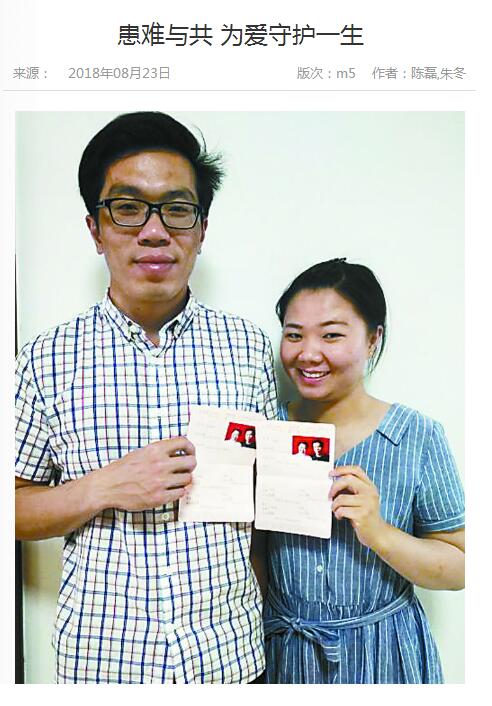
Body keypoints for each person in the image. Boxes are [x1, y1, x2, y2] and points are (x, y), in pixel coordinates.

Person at [15, 111, 277, 684]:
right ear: (95, 229)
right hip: (104, 665)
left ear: (201, 229)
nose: (154, 232)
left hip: (230, 658)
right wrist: (104, 487)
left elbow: (263, 500)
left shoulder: (251, 348)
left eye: (177, 210)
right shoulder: (44, 358)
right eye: (128, 207)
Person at [264, 258, 465, 684]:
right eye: (294, 334)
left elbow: (462, 566)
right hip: (286, 656)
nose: (308, 353)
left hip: (386, 655)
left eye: (331, 335)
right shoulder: (264, 430)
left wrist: (378, 532)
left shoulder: (417, 435)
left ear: (374, 339)